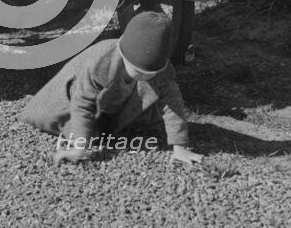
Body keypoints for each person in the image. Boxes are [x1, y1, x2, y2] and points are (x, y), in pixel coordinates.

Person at [20, 11, 203, 166]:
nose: (144, 76)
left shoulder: (163, 73)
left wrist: (180, 147)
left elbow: (173, 106)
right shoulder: (101, 61)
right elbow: (82, 103)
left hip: (117, 101)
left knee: (143, 115)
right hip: (73, 94)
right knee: (64, 121)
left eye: (150, 73)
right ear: (123, 55)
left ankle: (109, 123)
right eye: (137, 70)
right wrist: (78, 148)